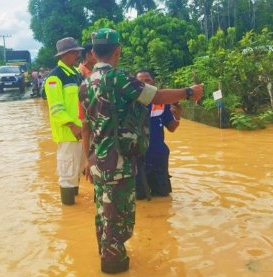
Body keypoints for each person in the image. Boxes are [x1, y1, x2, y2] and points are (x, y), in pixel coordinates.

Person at [79, 28, 203, 274]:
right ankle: (114, 266)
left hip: (97, 161)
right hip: (118, 163)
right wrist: (189, 92)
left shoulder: (84, 85)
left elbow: (85, 128)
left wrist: (88, 161)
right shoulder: (119, 79)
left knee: (104, 215)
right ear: (118, 51)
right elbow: (156, 95)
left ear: (93, 52)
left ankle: (108, 257)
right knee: (118, 220)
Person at [44, 37, 84, 205]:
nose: (77, 55)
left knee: (79, 170)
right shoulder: (54, 78)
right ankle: (69, 210)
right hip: (69, 133)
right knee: (68, 175)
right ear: (64, 55)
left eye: (77, 52)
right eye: (74, 52)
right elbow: (56, 109)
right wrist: (72, 126)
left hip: (82, 131)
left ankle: (75, 207)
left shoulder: (76, 74)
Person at [135, 69, 182, 200]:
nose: (144, 84)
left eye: (147, 80)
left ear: (153, 82)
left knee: (163, 196)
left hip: (158, 156)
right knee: (139, 197)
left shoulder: (162, 102)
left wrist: (177, 117)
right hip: (137, 157)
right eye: (140, 81)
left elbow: (171, 127)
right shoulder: (130, 103)